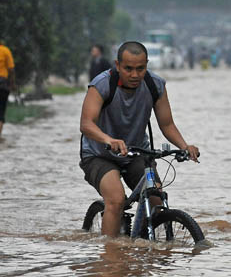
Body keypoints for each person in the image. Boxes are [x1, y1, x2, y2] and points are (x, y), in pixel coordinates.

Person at [79, 41, 200, 237]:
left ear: (147, 65)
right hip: (99, 154)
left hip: (137, 153)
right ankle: (110, 259)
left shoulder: (155, 85)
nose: (135, 75)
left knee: (156, 199)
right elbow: (86, 124)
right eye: (128, 69)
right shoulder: (102, 84)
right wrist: (109, 140)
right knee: (116, 200)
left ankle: (145, 247)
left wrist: (185, 146)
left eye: (140, 68)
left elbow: (167, 124)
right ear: (117, 65)